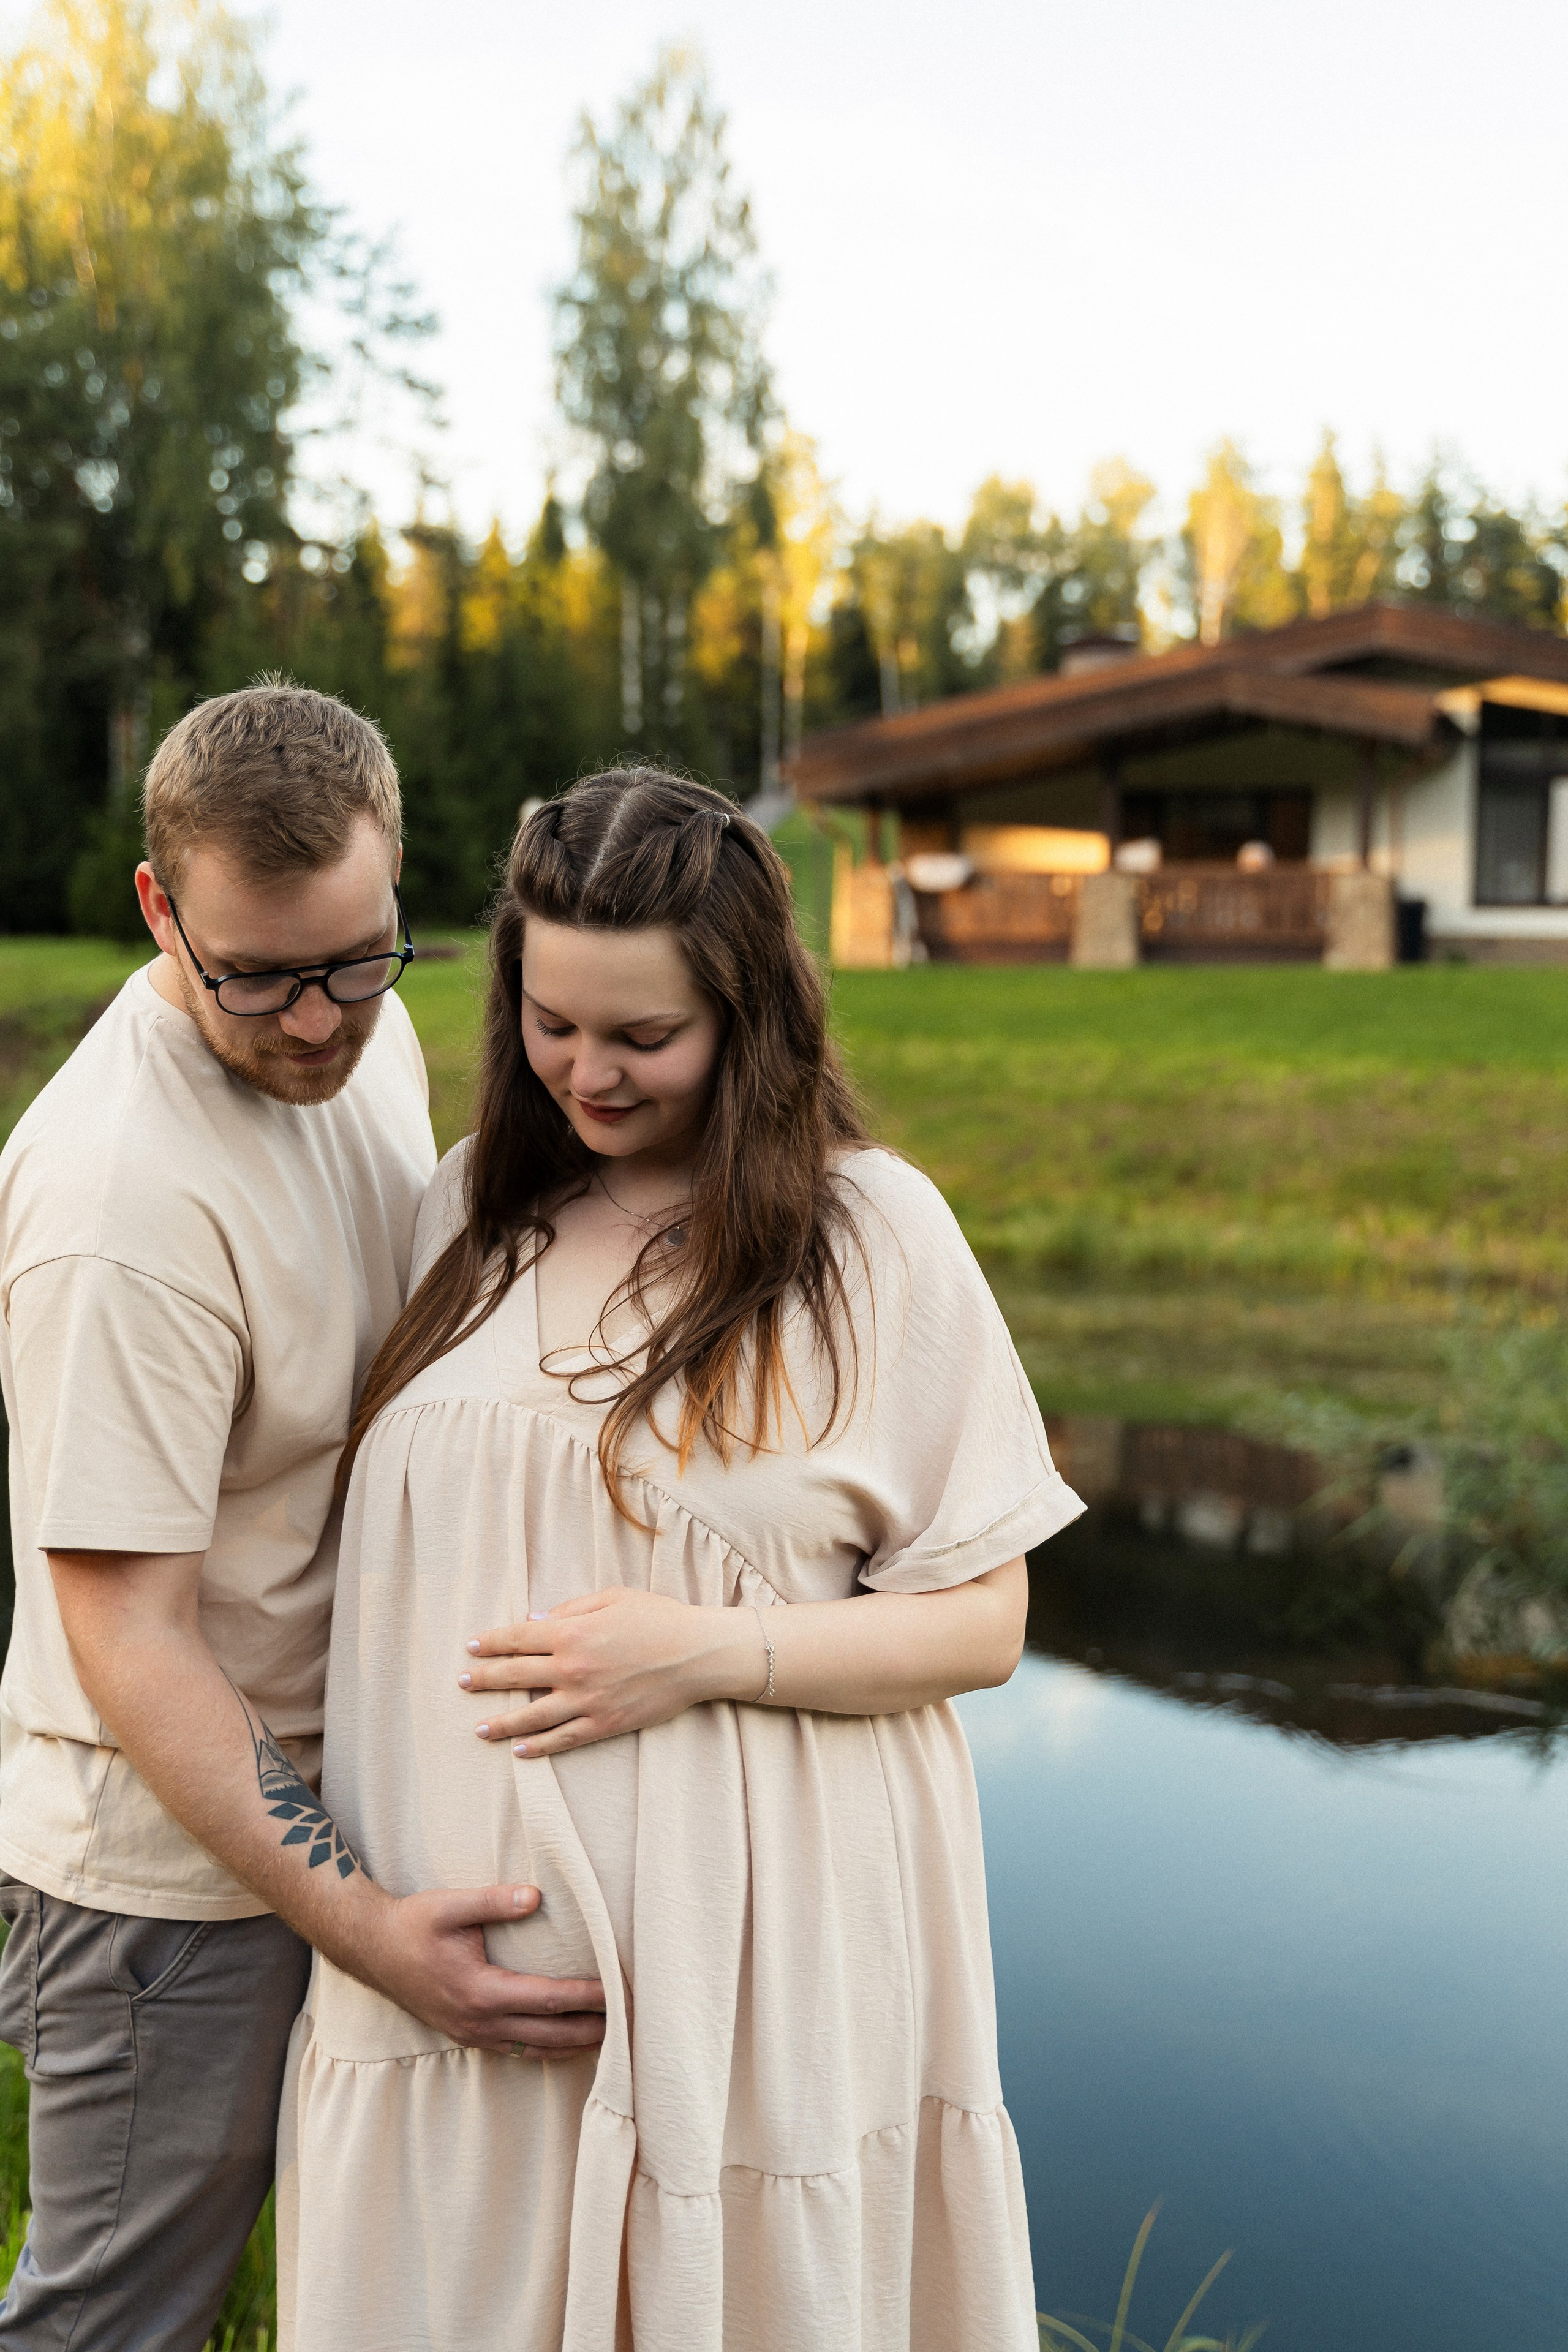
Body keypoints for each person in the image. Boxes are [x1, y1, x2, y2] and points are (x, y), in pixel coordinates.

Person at [277, 769, 1085, 2351]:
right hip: (441, 2022)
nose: (588, 1072)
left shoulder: (867, 1238)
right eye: (552, 1023)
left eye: (644, 1035)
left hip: (750, 2018)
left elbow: (985, 1623)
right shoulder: (466, 1211)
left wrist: (700, 1654)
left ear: (748, 1016)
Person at [0, 685, 605, 2352]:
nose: (320, 1022)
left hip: (349, 1811)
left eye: (358, 960)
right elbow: (124, 1630)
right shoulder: (119, 1212)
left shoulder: (361, 1026)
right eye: (258, 976)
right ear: (159, 909)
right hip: (165, 1896)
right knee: (110, 2330)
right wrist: (368, 1926)